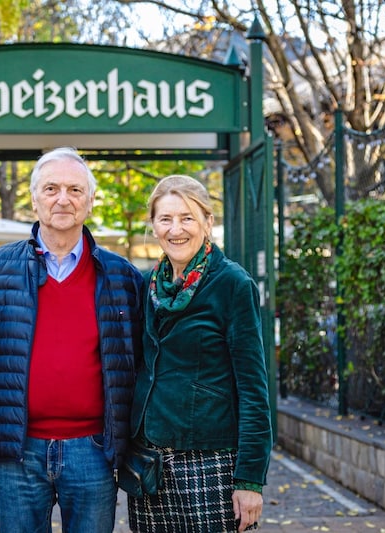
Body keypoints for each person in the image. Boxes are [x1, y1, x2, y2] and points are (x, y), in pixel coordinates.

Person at [0, 146, 143, 533]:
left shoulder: (122, 276)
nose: (63, 199)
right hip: (16, 450)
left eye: (75, 189)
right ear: (34, 199)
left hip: (94, 451)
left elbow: (140, 361)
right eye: (51, 189)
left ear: (90, 200)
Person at [127, 175, 273, 533]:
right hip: (150, 462)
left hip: (211, 464)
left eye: (187, 218)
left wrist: (250, 480)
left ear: (208, 222)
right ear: (154, 226)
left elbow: (254, 390)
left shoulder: (232, 284)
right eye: (166, 219)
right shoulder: (145, 284)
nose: (176, 229)